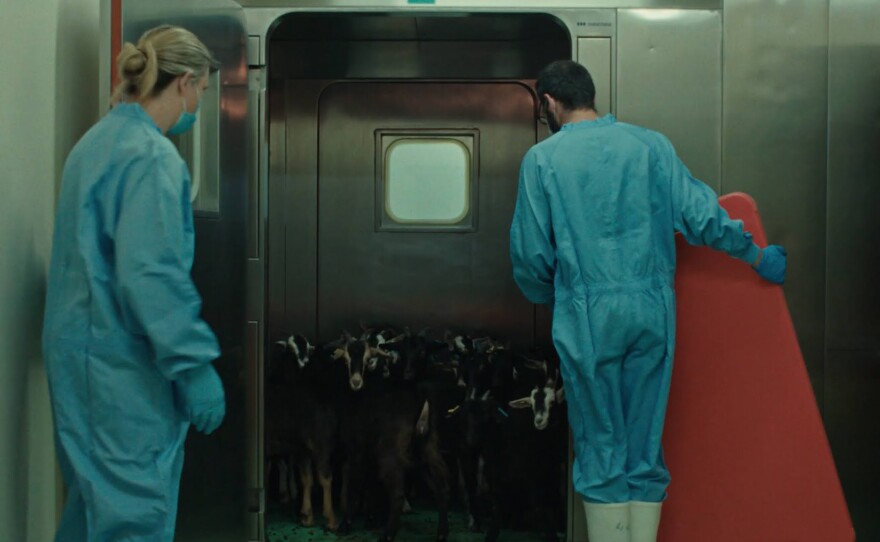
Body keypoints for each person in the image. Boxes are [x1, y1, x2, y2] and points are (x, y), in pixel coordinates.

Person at [509, 60, 787, 542]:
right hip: (652, 313)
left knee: (601, 448)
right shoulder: (650, 146)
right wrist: (756, 255)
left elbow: (531, 257)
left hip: (587, 319)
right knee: (644, 444)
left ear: (550, 103)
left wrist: (553, 296)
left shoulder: (543, 160)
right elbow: (703, 216)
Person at [42, 25, 226, 542]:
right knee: (132, 517)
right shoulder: (151, 156)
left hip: (83, 363)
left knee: (90, 510)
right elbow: (150, 273)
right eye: (203, 93)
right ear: (186, 82)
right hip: (120, 376)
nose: (199, 106)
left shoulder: (95, 142)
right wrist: (193, 365)